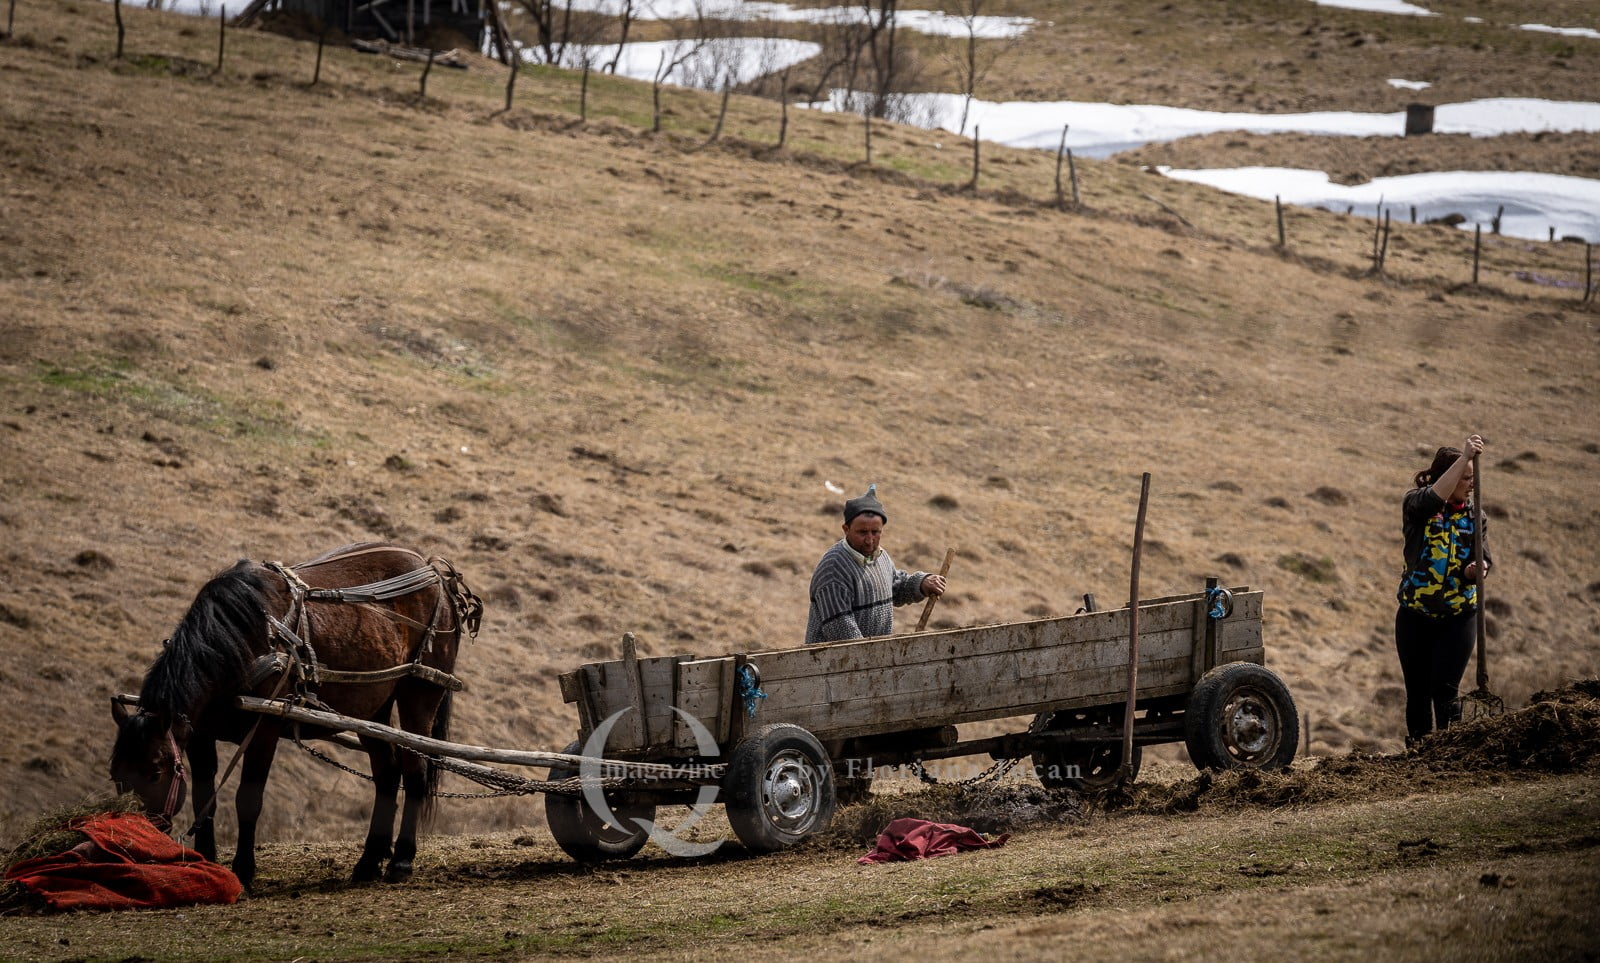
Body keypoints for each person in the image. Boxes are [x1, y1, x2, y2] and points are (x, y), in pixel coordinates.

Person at [1394, 433, 1493, 744]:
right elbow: (1432, 500)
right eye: (1465, 477)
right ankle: (1418, 752)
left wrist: (1476, 570)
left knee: (1446, 691)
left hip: (1458, 617)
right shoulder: (1416, 504)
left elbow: (1482, 557)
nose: (1471, 484)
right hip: (1415, 615)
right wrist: (1464, 457)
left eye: (1472, 477)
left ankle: (1449, 753)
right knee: (1418, 692)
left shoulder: (1476, 516)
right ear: (1447, 477)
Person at [805, 485, 946, 644]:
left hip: (873, 655)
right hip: (838, 659)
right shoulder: (833, 570)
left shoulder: (879, 556)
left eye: (875, 532)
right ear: (846, 529)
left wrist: (922, 583)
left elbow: (895, 588)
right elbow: (844, 636)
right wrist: (876, 657)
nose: (869, 540)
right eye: (862, 532)